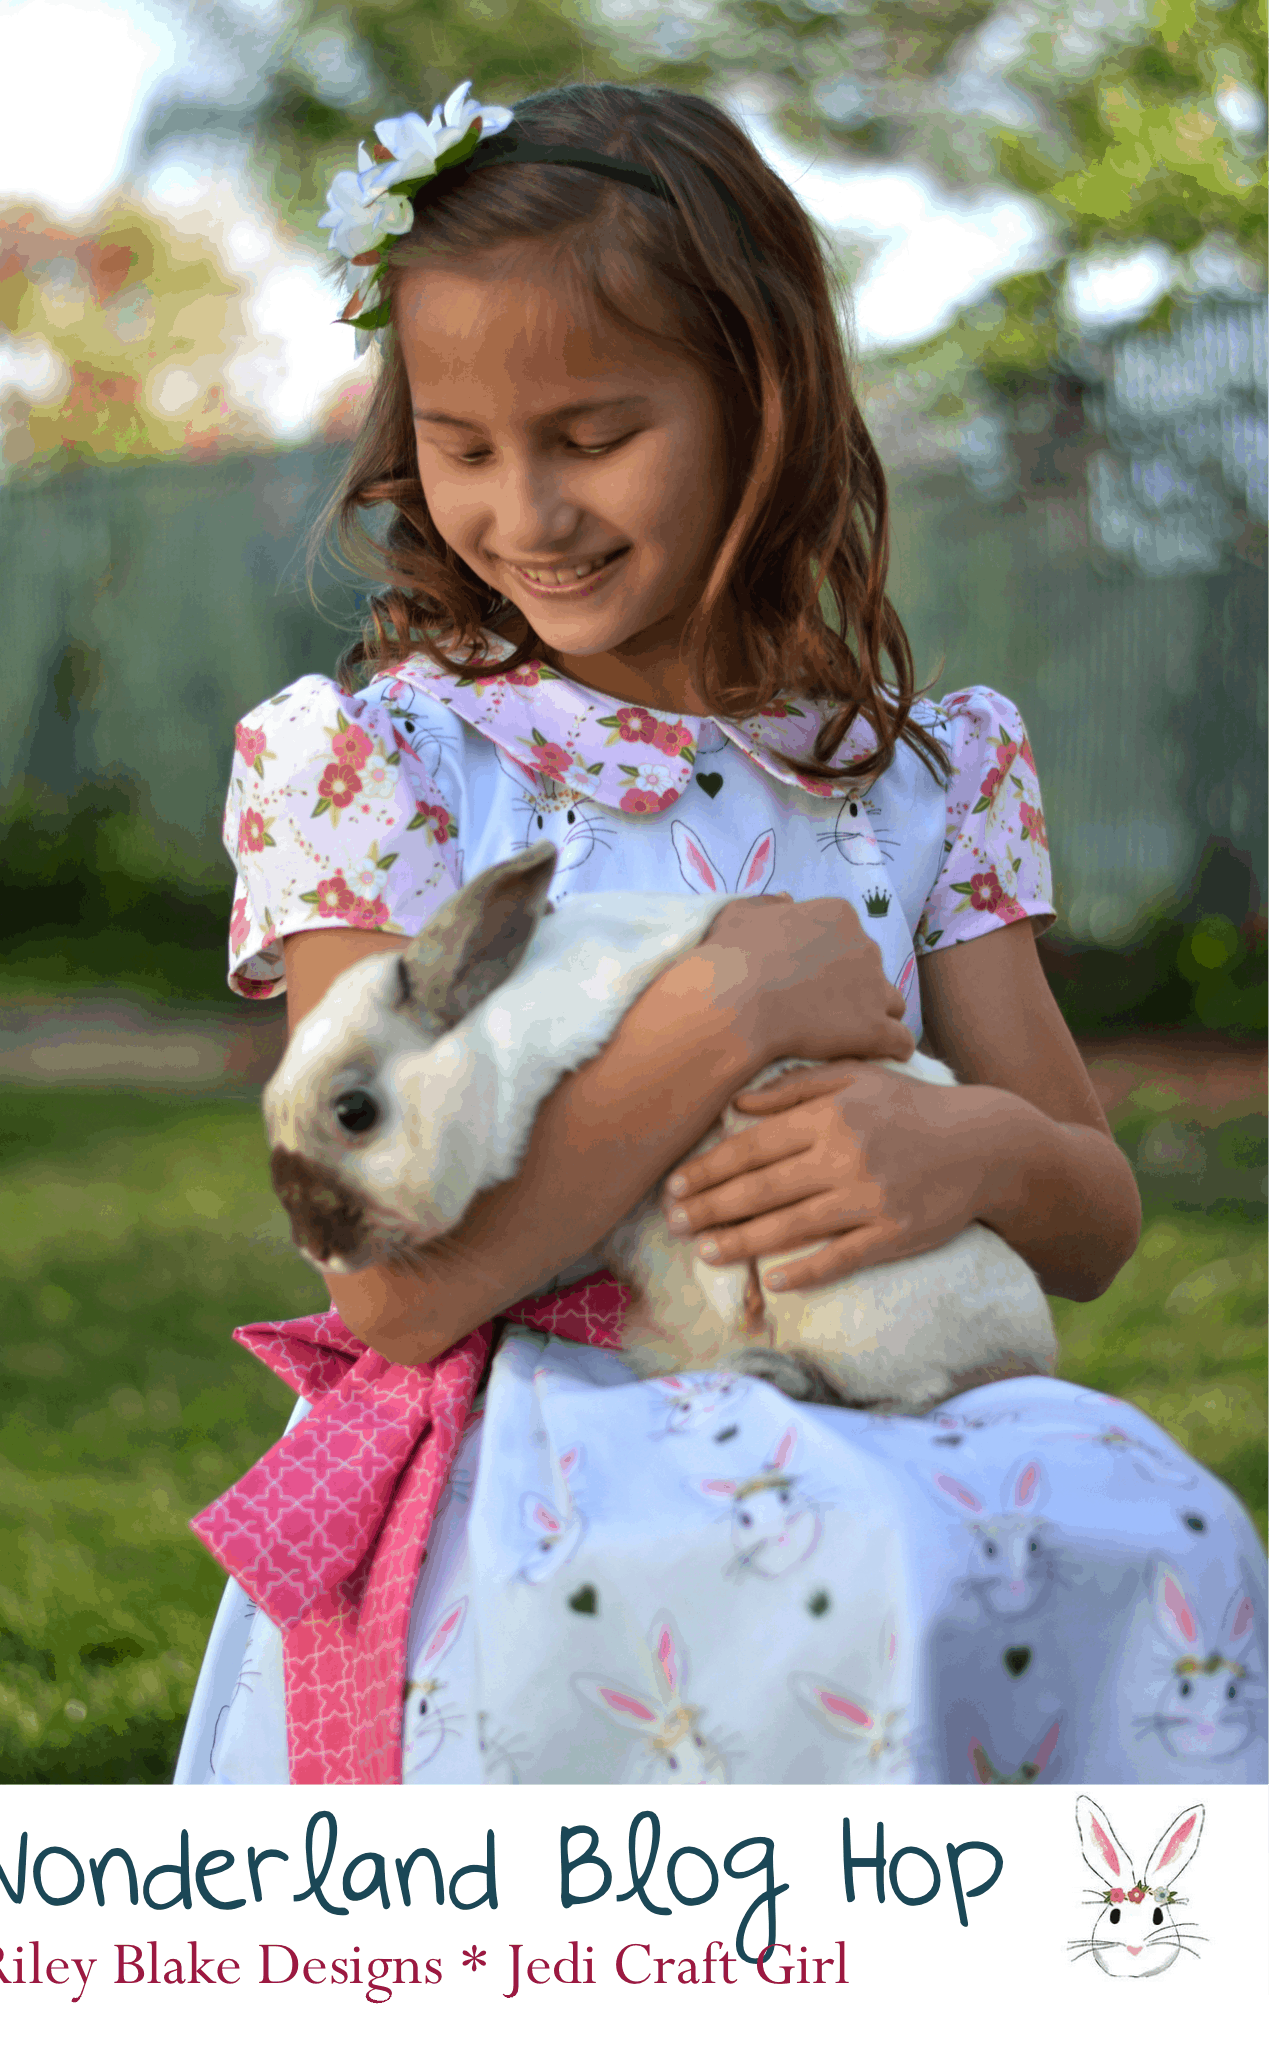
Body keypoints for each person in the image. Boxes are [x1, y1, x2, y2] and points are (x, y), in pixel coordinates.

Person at [173, 81, 1265, 1788]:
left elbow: (1095, 1217)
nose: (522, 509)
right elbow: (383, 1289)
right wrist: (732, 1004)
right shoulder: (381, 762)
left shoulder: (930, 774)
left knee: (1170, 1543)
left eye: (593, 435)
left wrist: (966, 1145)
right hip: (534, 1490)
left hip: (870, 1412)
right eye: (460, 447)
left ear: (760, 403)